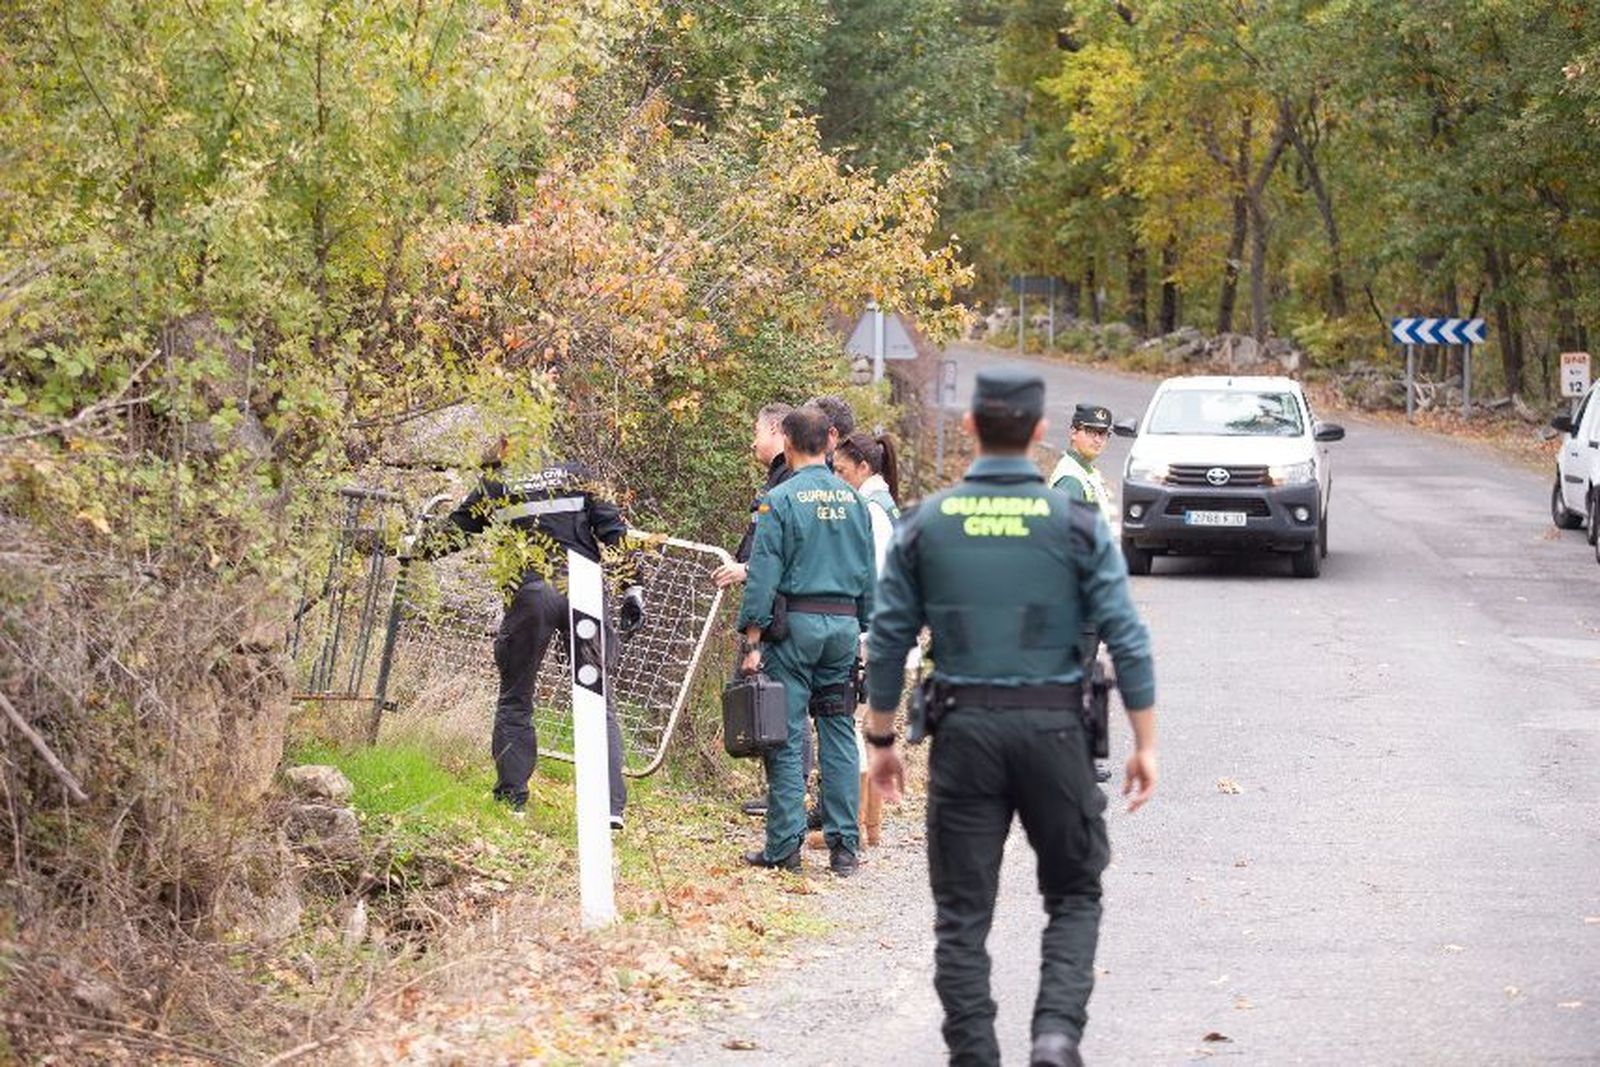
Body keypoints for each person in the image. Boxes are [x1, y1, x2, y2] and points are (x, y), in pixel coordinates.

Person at [863, 370, 1158, 1067]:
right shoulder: (1076, 522)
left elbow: (887, 639)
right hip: (1057, 733)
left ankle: (974, 1052)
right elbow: (1128, 634)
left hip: (964, 736)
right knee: (1075, 891)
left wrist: (881, 739)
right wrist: (1146, 741)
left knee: (962, 914)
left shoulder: (926, 523)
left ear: (969, 427)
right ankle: (1055, 1036)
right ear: (1037, 433)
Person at [410, 438, 644, 826]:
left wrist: (405, 547)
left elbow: (454, 533)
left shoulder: (499, 484)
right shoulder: (578, 474)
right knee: (597, 701)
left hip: (530, 594)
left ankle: (512, 799)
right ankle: (608, 808)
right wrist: (633, 592)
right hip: (582, 590)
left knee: (516, 697)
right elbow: (614, 533)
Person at [737, 405, 876, 877]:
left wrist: (753, 640)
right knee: (837, 730)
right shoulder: (854, 501)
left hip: (795, 629)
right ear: (830, 443)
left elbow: (763, 573)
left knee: (788, 732)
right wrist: (867, 631)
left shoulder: (781, 500)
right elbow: (867, 573)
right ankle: (844, 848)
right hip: (842, 630)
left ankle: (784, 847)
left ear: (790, 444)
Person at [832, 430, 903, 846]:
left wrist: (863, 629)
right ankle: (867, 825)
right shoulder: (886, 504)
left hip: (877, 631)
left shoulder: (870, 508)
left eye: (842, 471)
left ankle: (859, 822)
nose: (838, 479)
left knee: (858, 725)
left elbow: (872, 575)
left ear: (863, 468)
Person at [1047, 403, 1117, 529]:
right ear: (1074, 432)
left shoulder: (1084, 470)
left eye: (1103, 433)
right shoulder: (1071, 479)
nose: (1098, 440)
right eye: (1091, 432)